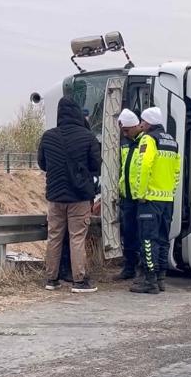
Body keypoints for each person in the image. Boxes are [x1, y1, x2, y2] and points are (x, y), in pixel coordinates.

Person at [38, 97, 103, 293]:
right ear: (77, 113)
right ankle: (79, 280)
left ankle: (51, 279)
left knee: (54, 237)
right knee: (77, 238)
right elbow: (96, 165)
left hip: (55, 197)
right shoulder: (87, 137)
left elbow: (42, 164)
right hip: (79, 197)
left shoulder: (48, 136)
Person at [130, 106, 181, 294]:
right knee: (162, 239)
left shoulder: (148, 139)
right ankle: (160, 278)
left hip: (149, 199)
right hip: (167, 199)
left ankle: (149, 280)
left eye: (142, 121)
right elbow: (177, 171)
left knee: (148, 240)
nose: (140, 124)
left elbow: (144, 167)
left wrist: (140, 193)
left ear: (148, 122)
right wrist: (170, 191)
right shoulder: (172, 141)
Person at [116, 109, 143, 280]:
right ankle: (129, 267)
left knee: (142, 235)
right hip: (127, 197)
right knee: (128, 233)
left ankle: (142, 269)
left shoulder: (146, 142)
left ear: (136, 126)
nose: (125, 134)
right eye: (123, 131)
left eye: (127, 130)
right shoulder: (124, 142)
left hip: (142, 197)